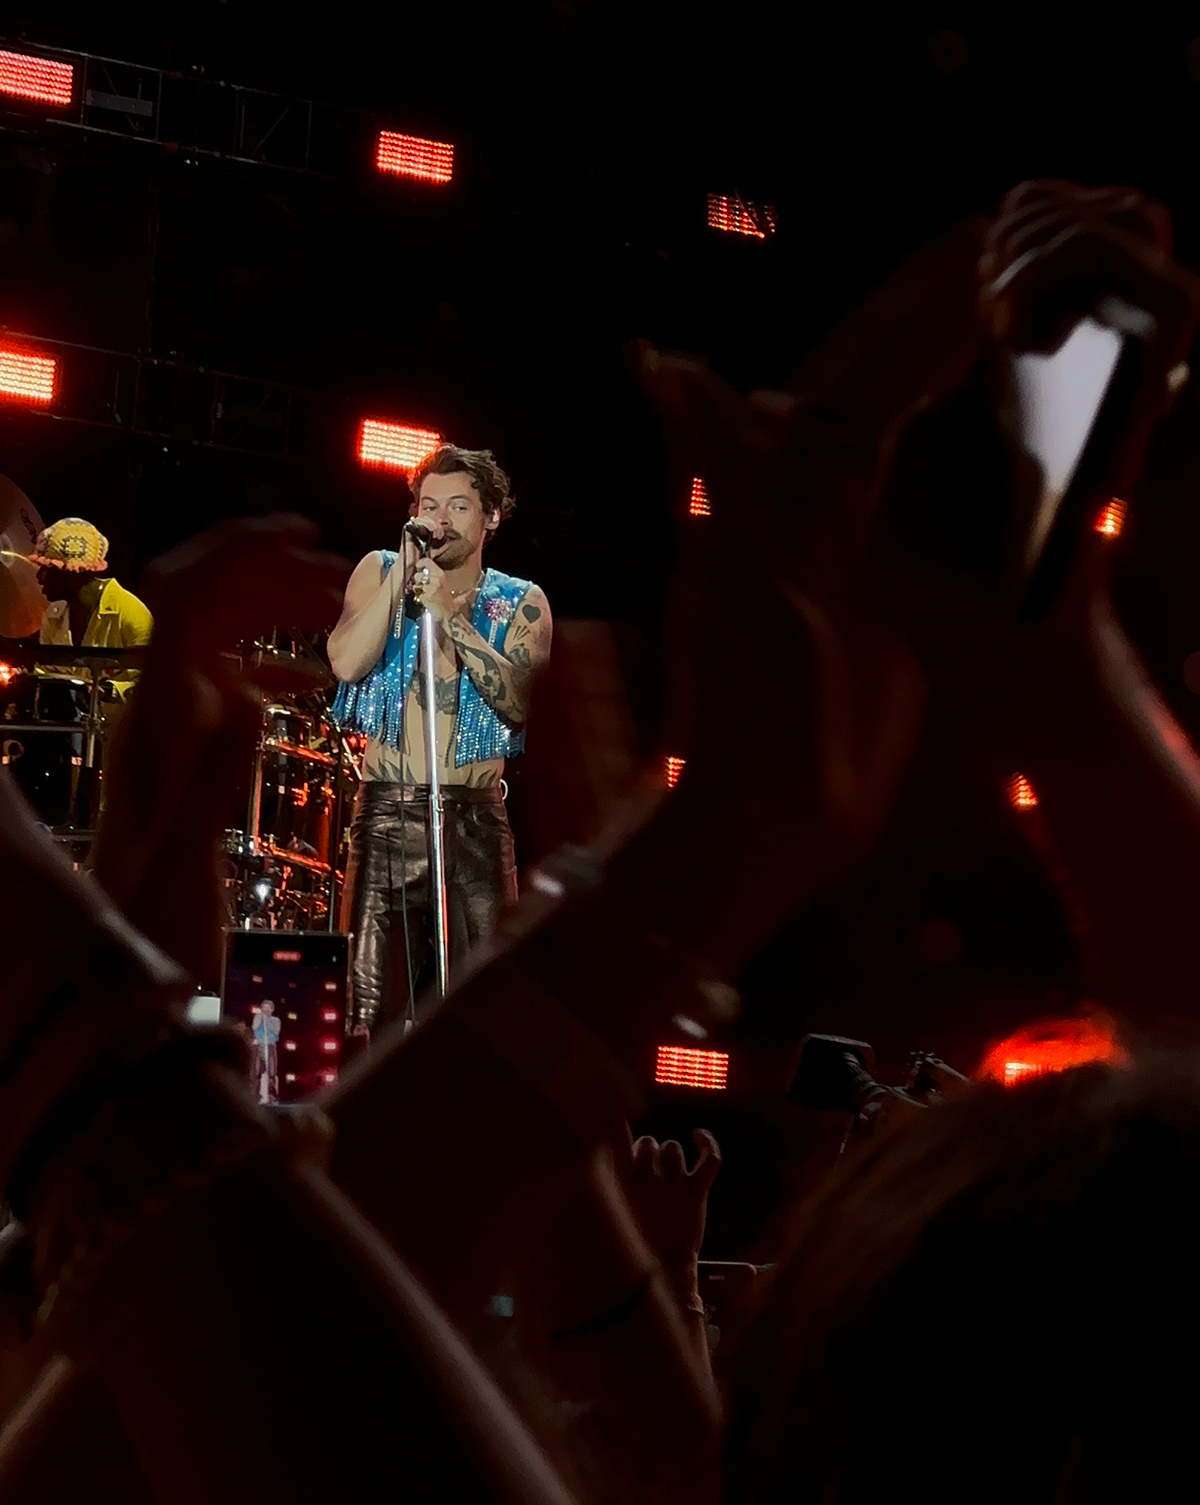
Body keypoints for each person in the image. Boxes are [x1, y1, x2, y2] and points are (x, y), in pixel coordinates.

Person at [327, 444, 552, 1033]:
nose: (441, 519)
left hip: (474, 823)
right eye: (429, 506)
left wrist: (449, 614)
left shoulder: (521, 601)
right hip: (387, 816)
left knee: (488, 1014)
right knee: (367, 1012)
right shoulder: (380, 570)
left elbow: (520, 702)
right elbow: (346, 662)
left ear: (491, 517)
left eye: (458, 506)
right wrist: (403, 573)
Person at [32, 518, 153, 664]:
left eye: (48, 567)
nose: (39, 576)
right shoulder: (53, 615)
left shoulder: (131, 615)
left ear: (75, 570)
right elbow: (46, 672)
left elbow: (147, 673)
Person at [251, 1001, 281, 1104]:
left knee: (271, 1071)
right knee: (257, 1070)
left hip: (270, 1045)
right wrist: (260, 1018)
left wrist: (267, 1021)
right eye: (264, 1008)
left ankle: (272, 1095)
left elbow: (276, 1031)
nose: (266, 1010)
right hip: (259, 1045)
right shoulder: (258, 1017)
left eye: (268, 1008)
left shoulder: (276, 1020)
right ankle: (256, 1096)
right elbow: (254, 1027)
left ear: (272, 1009)